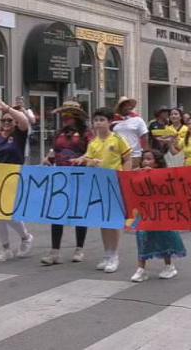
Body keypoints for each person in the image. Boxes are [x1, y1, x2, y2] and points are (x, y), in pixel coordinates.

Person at [72, 107, 134, 272]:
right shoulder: (93, 142)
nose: (98, 123)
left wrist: (125, 177)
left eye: (102, 120)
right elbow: (89, 159)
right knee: (103, 221)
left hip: (115, 184)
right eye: (96, 120)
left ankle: (114, 256)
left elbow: (127, 158)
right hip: (98, 185)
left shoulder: (118, 139)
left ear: (109, 122)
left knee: (113, 222)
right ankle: (107, 254)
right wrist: (85, 161)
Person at [0, 100, 33, 262]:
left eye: (10, 120)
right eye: (4, 120)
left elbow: (24, 121)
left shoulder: (19, 135)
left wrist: (7, 108)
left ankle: (25, 237)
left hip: (13, 178)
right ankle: (6, 247)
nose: (7, 123)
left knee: (6, 212)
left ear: (15, 122)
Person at [40, 101, 91, 265]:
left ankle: (79, 249)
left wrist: (84, 160)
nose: (64, 117)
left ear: (76, 116)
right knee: (57, 213)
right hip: (60, 177)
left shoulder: (86, 134)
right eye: (63, 114)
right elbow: (55, 151)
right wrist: (48, 159)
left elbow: (92, 152)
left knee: (78, 213)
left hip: (79, 177)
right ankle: (54, 251)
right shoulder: (59, 133)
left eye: (68, 114)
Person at [129, 149, 186, 282]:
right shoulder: (138, 174)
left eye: (149, 159)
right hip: (143, 212)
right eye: (144, 159)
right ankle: (141, 269)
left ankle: (169, 266)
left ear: (157, 162)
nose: (145, 161)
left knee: (163, 237)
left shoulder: (163, 174)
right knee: (142, 237)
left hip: (160, 212)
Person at [111, 97, 150, 167]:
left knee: (132, 175)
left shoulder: (137, 119)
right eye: (125, 105)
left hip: (134, 154)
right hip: (117, 154)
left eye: (129, 105)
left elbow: (144, 136)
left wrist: (145, 152)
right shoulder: (113, 120)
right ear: (120, 107)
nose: (128, 107)